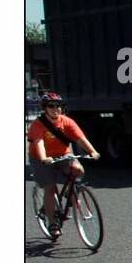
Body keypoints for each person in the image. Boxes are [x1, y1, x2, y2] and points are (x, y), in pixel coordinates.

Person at [27, 92, 100, 238]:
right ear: (45, 108)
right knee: (50, 188)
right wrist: (43, 158)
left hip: (63, 154)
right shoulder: (37, 125)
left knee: (78, 170)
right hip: (41, 158)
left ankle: (70, 191)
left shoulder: (67, 122)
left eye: (59, 106)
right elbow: (39, 143)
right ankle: (52, 222)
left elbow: (80, 139)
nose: (56, 109)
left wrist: (93, 151)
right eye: (51, 106)